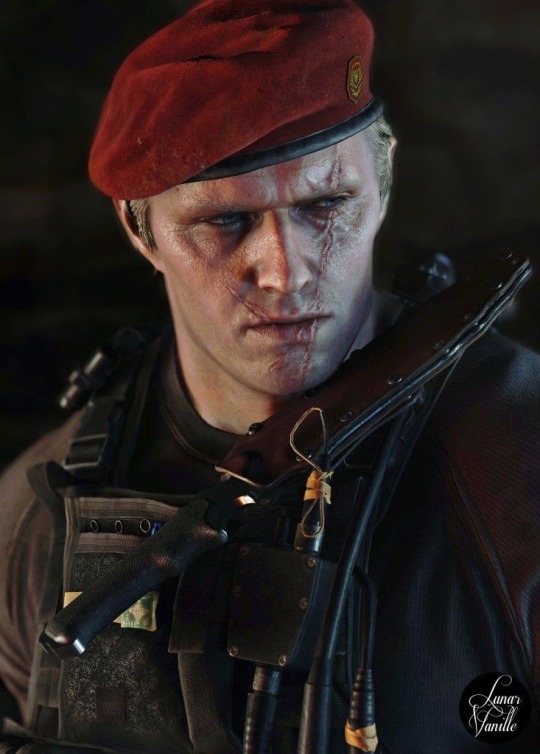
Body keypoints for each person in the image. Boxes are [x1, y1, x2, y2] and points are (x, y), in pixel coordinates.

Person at [0, 1, 538, 753]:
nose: (286, 274)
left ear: (383, 181)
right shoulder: (35, 519)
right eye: (225, 221)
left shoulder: (518, 460)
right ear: (139, 227)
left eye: (326, 203)